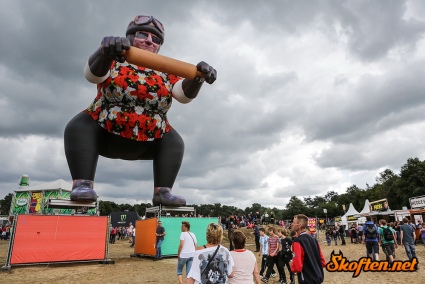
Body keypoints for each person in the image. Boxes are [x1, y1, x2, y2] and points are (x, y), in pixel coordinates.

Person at [64, 15, 217, 205]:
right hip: (105, 131)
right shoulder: (114, 59)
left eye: (156, 39)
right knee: (78, 126)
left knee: (174, 141)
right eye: (142, 35)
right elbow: (93, 75)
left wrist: (198, 77)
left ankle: (162, 191)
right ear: (129, 37)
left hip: (151, 137)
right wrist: (104, 52)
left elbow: (183, 96)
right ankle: (83, 184)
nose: (149, 41)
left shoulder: (166, 71)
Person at [290, 214, 326, 284]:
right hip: (318, 277)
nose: (292, 224)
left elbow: (297, 267)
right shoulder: (314, 239)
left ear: (299, 225)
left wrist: (292, 265)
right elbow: (323, 262)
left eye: (294, 222)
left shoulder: (297, 241)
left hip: (307, 279)